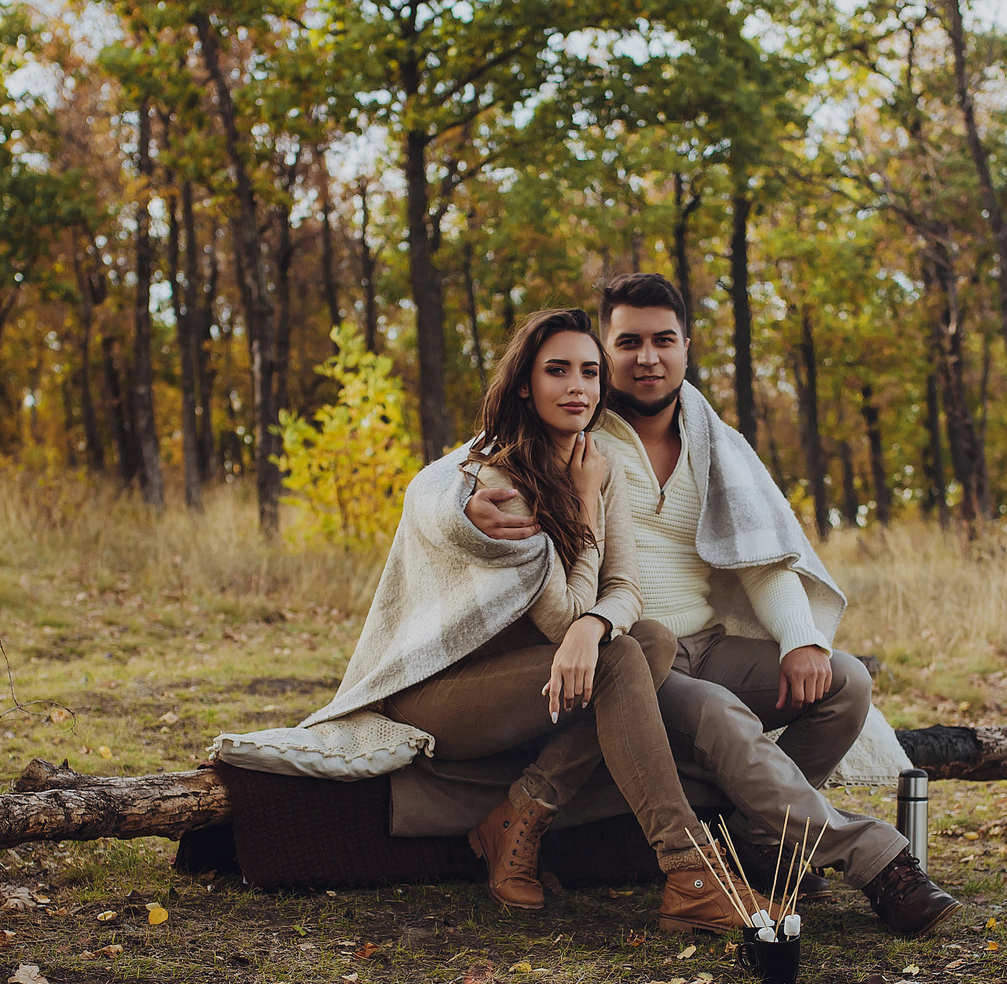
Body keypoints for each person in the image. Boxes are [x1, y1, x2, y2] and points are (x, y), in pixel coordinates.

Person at [466, 274, 960, 937]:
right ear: (604, 350)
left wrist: (801, 639)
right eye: (628, 342)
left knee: (846, 682)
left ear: (686, 348)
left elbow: (759, 553)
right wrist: (463, 512)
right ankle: (875, 860)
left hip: (710, 641)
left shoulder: (713, 440)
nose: (647, 357)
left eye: (663, 340)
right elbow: (455, 477)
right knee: (721, 717)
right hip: (635, 655)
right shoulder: (574, 423)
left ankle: (761, 840)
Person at [300, 308, 772, 937]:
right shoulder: (502, 484)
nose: (578, 387)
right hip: (444, 693)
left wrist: (594, 624)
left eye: (590, 372)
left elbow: (626, 589)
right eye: (558, 371)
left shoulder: (597, 461)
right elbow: (561, 620)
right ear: (525, 384)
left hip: (530, 679)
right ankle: (689, 870)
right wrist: (583, 512)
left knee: (652, 639)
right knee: (622, 656)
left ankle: (519, 813)